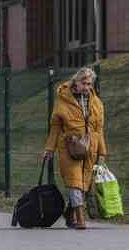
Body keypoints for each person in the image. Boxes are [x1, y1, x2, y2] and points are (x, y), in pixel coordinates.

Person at [43, 67, 106, 230]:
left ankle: (70, 214)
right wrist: (49, 149)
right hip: (69, 147)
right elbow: (55, 127)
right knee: (74, 182)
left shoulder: (97, 103)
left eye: (89, 84)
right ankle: (80, 218)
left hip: (90, 147)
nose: (86, 87)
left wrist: (102, 152)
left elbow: (99, 130)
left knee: (84, 183)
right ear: (75, 82)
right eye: (83, 83)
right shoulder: (62, 99)